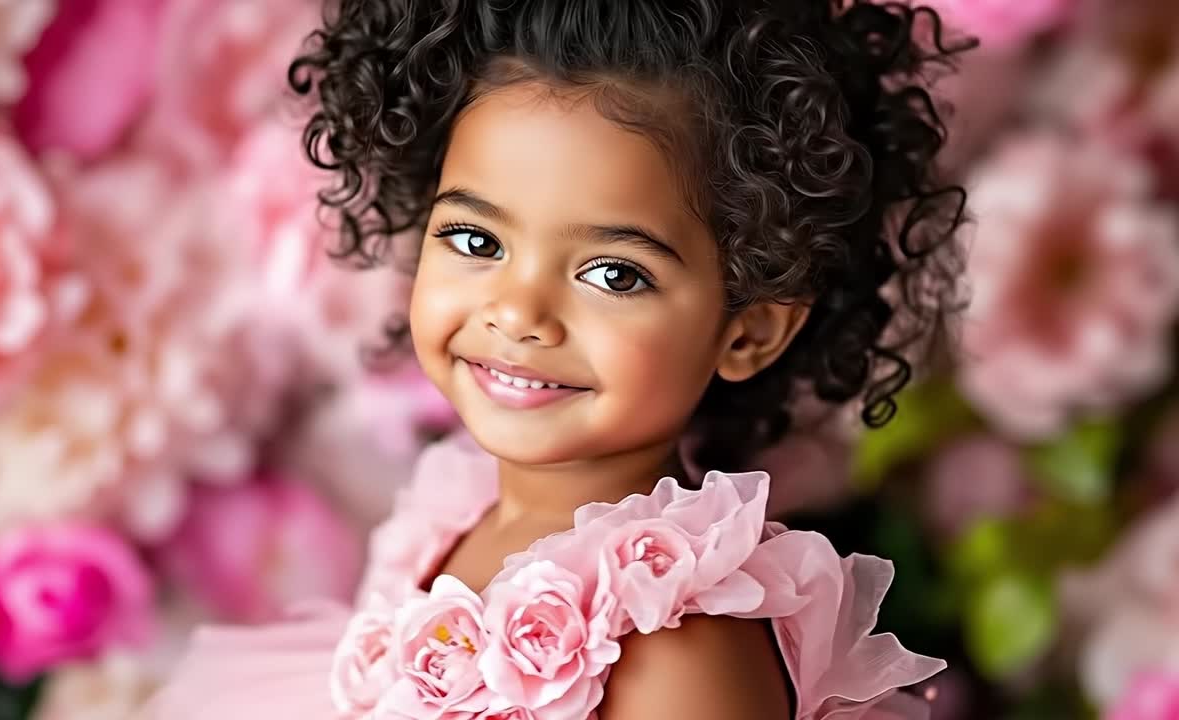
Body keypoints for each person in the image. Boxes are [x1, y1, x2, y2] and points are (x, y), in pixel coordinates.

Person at [137, 0, 971, 717]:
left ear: (748, 331)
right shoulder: (453, 509)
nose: (519, 312)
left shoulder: (679, 650)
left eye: (613, 274)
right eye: (476, 240)